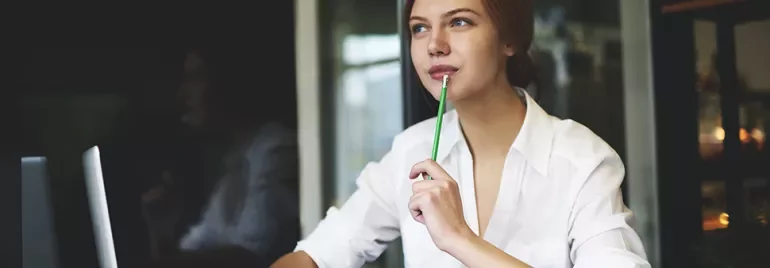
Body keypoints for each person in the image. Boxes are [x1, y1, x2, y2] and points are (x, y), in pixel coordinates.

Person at [272, 0, 650, 267]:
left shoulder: (582, 159)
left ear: (510, 40)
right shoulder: (412, 151)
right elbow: (316, 257)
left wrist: (459, 238)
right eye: (420, 28)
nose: (435, 45)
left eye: (459, 22)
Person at [144, 48, 300, 268]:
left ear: (228, 82)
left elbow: (249, 258)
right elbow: (193, 250)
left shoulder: (276, 149)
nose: (183, 94)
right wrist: (161, 228)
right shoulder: (237, 161)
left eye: (195, 77)